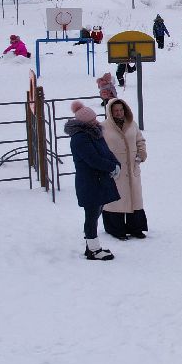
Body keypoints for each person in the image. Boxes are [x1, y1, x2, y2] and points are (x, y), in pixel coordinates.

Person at [65, 101, 120, 261]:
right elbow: (93, 159)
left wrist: (116, 165)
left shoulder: (94, 133)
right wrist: (111, 167)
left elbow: (106, 152)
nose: (96, 121)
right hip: (89, 182)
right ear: (85, 123)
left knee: (96, 213)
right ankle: (93, 250)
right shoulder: (79, 138)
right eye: (92, 120)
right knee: (91, 215)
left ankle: (92, 246)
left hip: (99, 180)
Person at [100, 98, 148, 240]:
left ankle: (136, 228)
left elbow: (140, 141)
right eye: (116, 111)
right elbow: (101, 147)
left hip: (132, 169)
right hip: (115, 170)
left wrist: (141, 154)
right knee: (116, 201)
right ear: (110, 112)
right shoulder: (103, 127)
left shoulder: (132, 125)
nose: (119, 113)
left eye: (121, 110)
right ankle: (116, 229)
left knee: (134, 199)